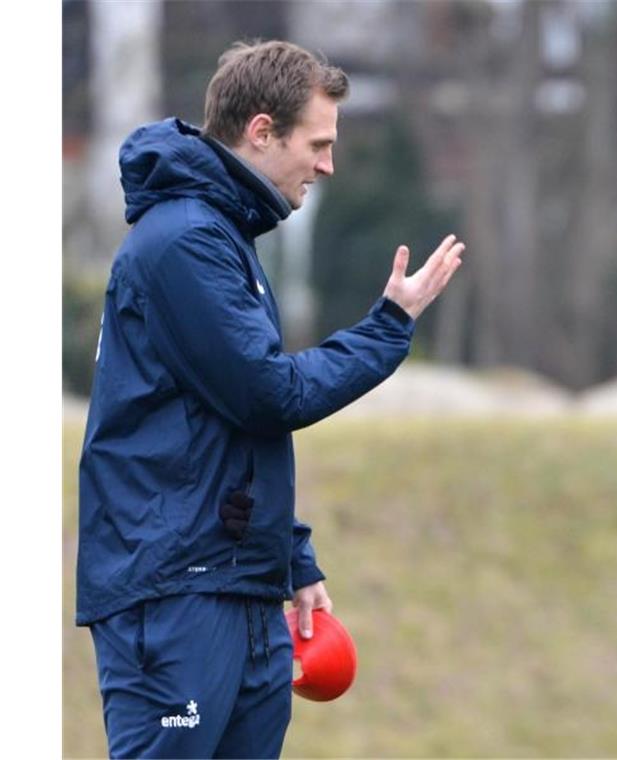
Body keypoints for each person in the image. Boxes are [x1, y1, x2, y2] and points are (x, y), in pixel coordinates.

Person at [76, 40, 465, 758]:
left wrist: (290, 559)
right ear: (262, 131)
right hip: (177, 593)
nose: (327, 164)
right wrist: (386, 331)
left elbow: (221, 430)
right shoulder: (183, 243)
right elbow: (266, 396)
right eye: (317, 143)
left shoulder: (221, 239)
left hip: (234, 585)